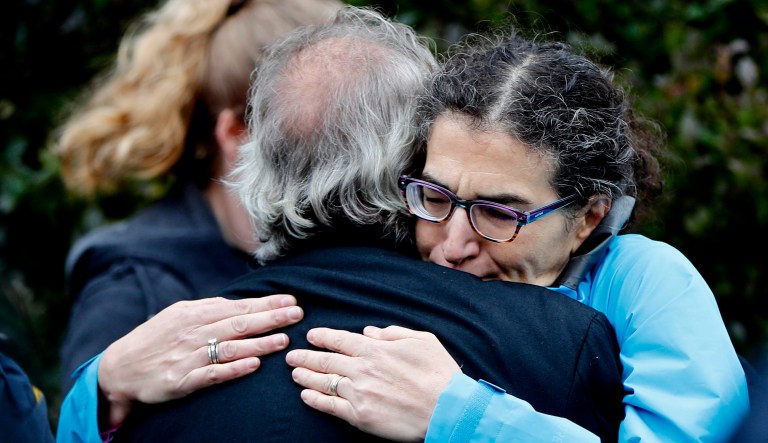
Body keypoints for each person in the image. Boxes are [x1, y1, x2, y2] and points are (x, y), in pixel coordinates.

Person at [63, 6, 627, 442]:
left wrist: (98, 391)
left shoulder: (156, 375)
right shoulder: (564, 345)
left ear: (255, 162)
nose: (458, 244)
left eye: (497, 211)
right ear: (414, 165)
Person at [284, 28, 750, 441]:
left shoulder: (646, 282)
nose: (453, 246)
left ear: (589, 217)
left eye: (498, 213)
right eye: (436, 196)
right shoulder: (395, 241)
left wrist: (460, 416)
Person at [53, 0, 342, 395]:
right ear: (237, 134)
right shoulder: (133, 286)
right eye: (325, 133)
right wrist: (104, 390)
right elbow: (78, 417)